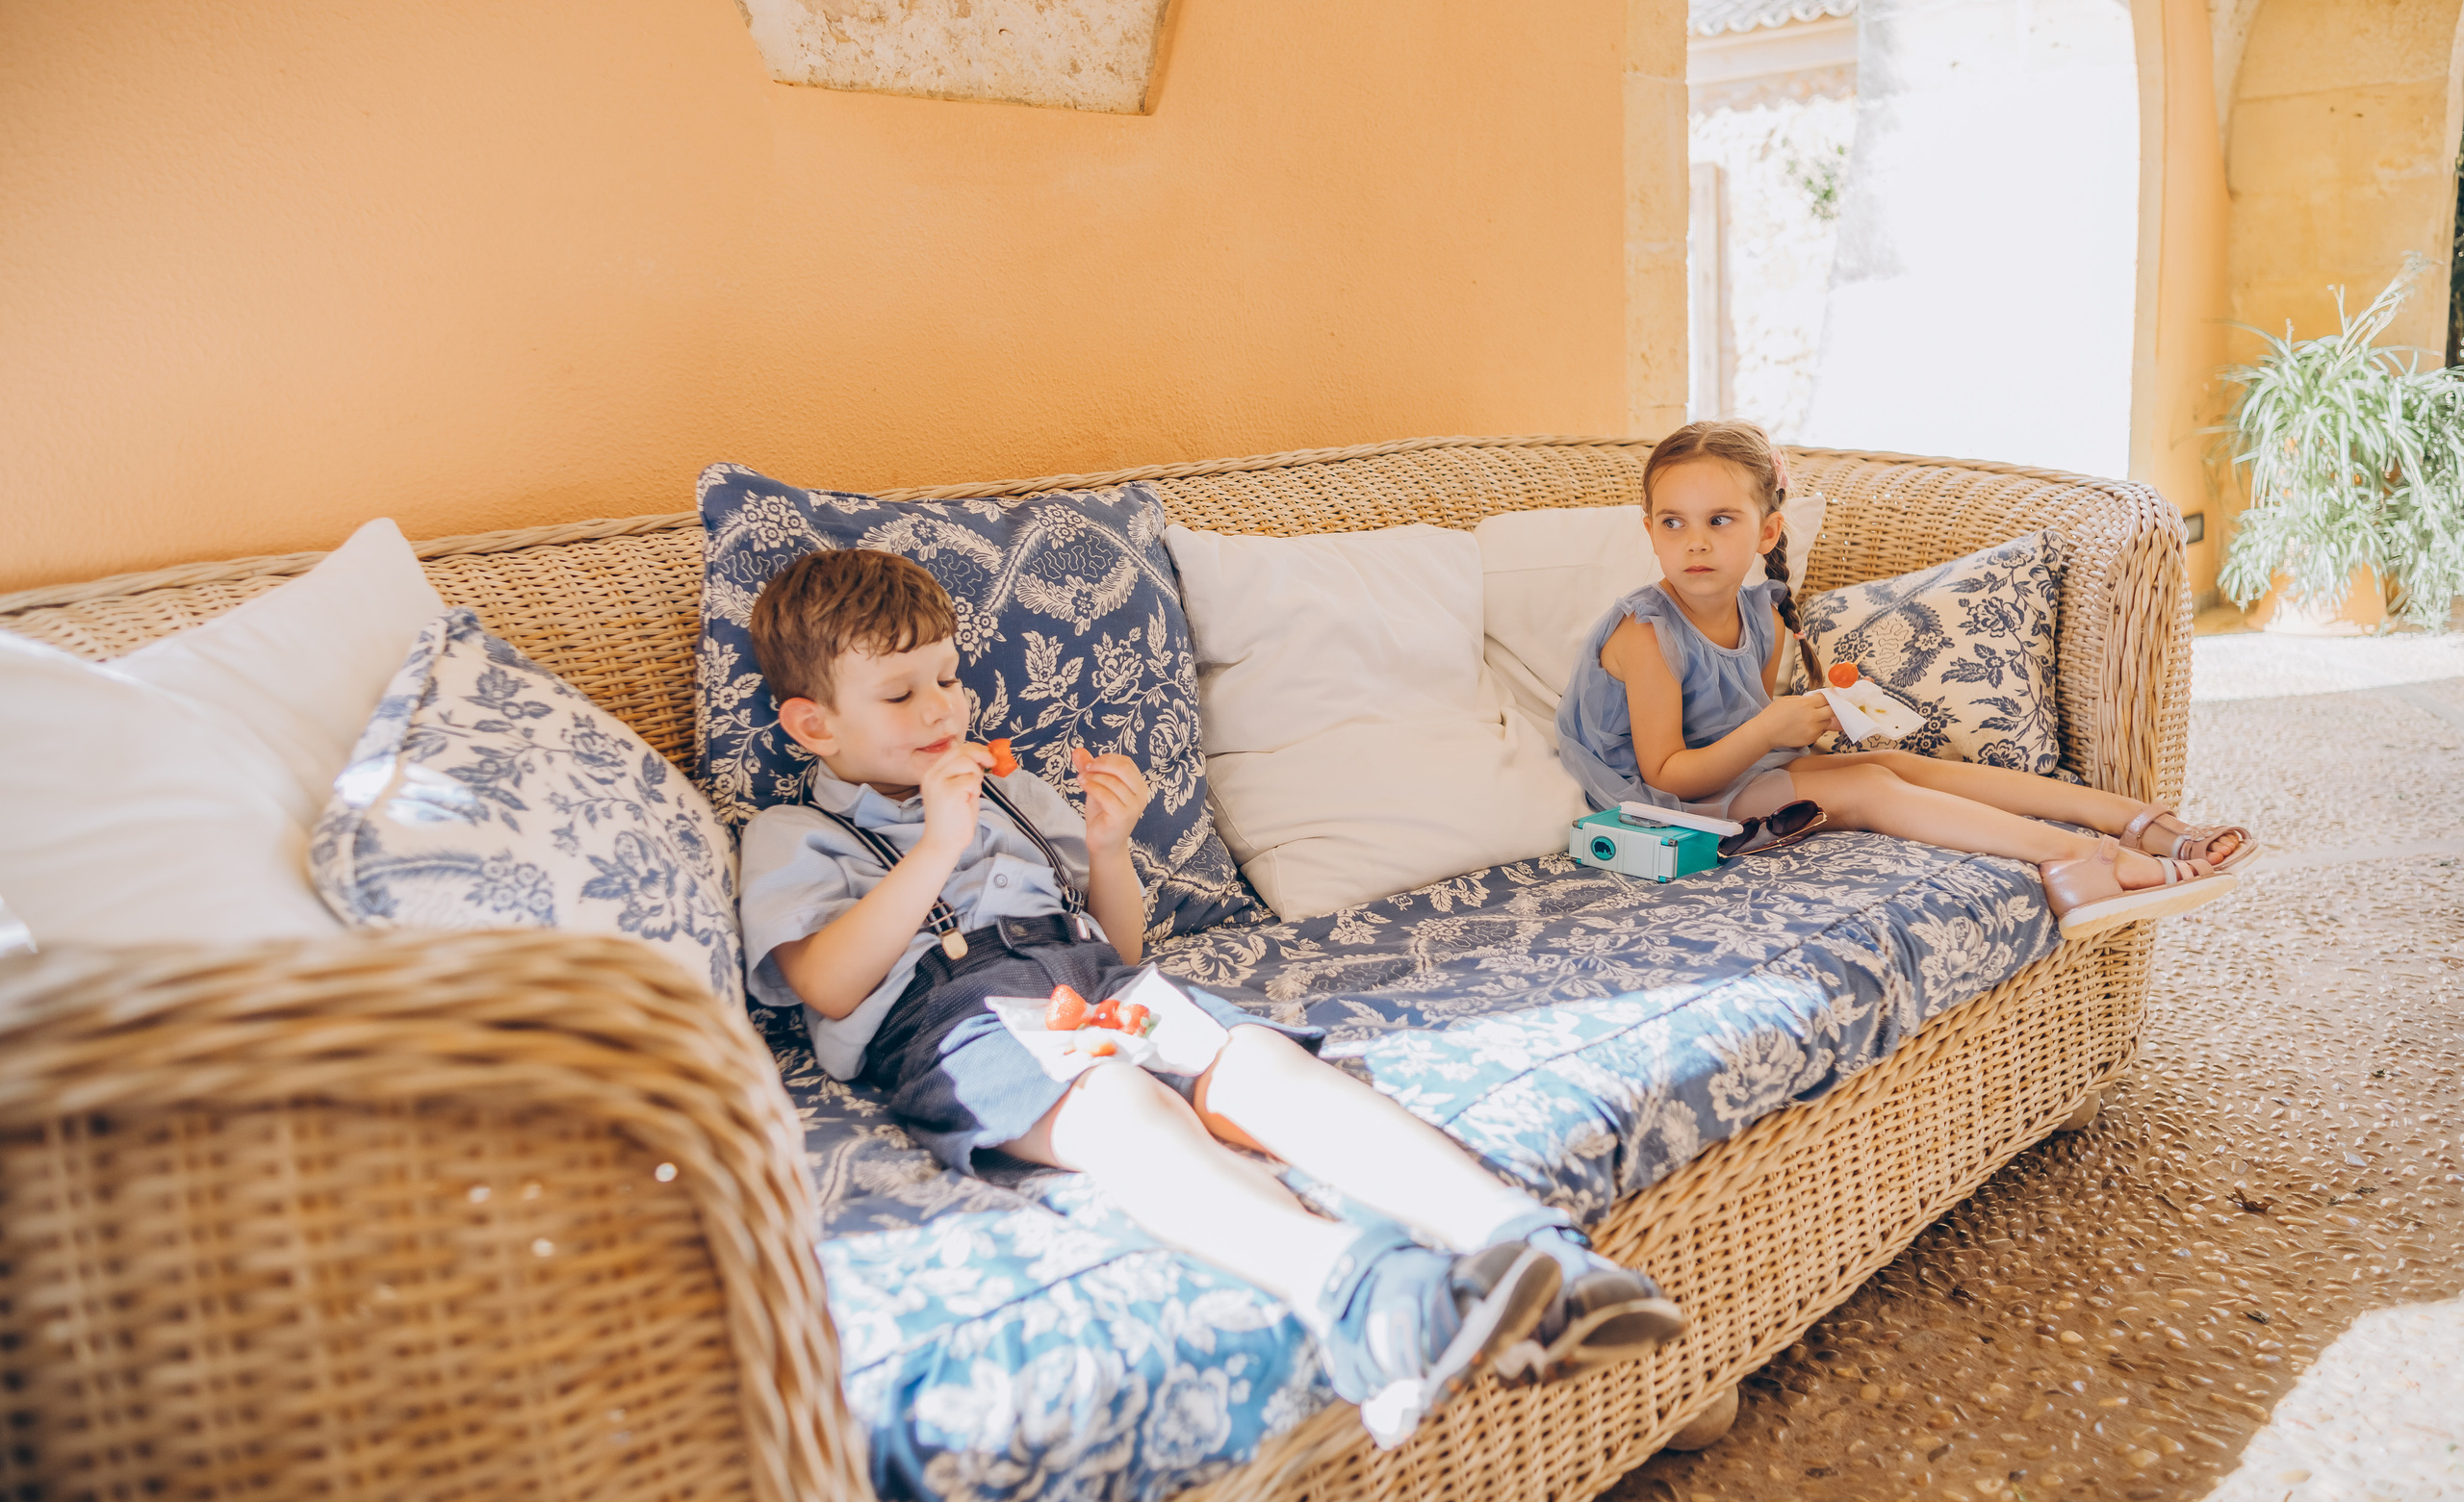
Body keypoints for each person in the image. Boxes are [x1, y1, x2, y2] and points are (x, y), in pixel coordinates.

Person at [737, 548, 1686, 1446]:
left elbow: (1116, 945)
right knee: (1117, 1098)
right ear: (814, 726)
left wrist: (1107, 848)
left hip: (1094, 979)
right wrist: (935, 844)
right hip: (957, 1022)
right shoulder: (794, 831)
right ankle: (1360, 1295)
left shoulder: (1012, 796)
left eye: (947, 676)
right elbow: (825, 982)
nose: (941, 706)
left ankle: (1529, 1244)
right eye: (900, 693)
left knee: (1260, 1061)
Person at [1556, 420, 2255, 939]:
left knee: (1890, 760)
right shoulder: (1645, 634)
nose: (1696, 542)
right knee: (1865, 786)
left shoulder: (1764, 616)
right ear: (1649, 531)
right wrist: (1773, 727)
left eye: (1720, 520)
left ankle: (2133, 818)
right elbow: (1671, 773)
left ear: (1767, 533)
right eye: (1673, 523)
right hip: (1663, 807)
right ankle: (2079, 859)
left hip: (1732, 773)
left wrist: (1804, 716)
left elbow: (1746, 729)